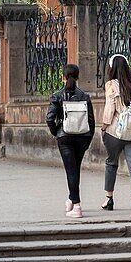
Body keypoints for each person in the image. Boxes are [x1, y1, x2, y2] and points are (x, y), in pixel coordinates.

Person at [46, 64, 95, 219]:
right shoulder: (85, 96)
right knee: (75, 169)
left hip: (65, 137)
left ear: (63, 77)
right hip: (82, 136)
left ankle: (77, 205)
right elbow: (91, 121)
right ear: (78, 77)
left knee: (71, 170)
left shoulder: (57, 95)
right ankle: (70, 199)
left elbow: (49, 118)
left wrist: (57, 133)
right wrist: (88, 138)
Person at [101, 54, 131, 217]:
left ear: (112, 68)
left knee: (111, 163)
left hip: (115, 132)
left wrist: (104, 127)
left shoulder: (111, 85)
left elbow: (109, 109)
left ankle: (109, 199)